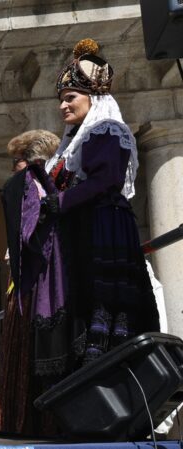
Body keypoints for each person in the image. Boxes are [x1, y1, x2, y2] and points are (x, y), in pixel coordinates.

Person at [45, 39, 158, 367]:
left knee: (108, 307)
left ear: (93, 98)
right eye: (62, 100)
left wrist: (62, 202)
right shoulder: (76, 140)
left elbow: (105, 180)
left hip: (104, 225)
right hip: (86, 225)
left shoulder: (107, 129)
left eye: (70, 98)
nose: (63, 106)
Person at [0, 130, 63, 437]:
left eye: (17, 161)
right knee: (27, 341)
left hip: (35, 274)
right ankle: (23, 419)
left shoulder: (39, 184)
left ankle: (23, 418)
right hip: (34, 276)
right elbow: (30, 234)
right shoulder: (26, 186)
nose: (15, 168)